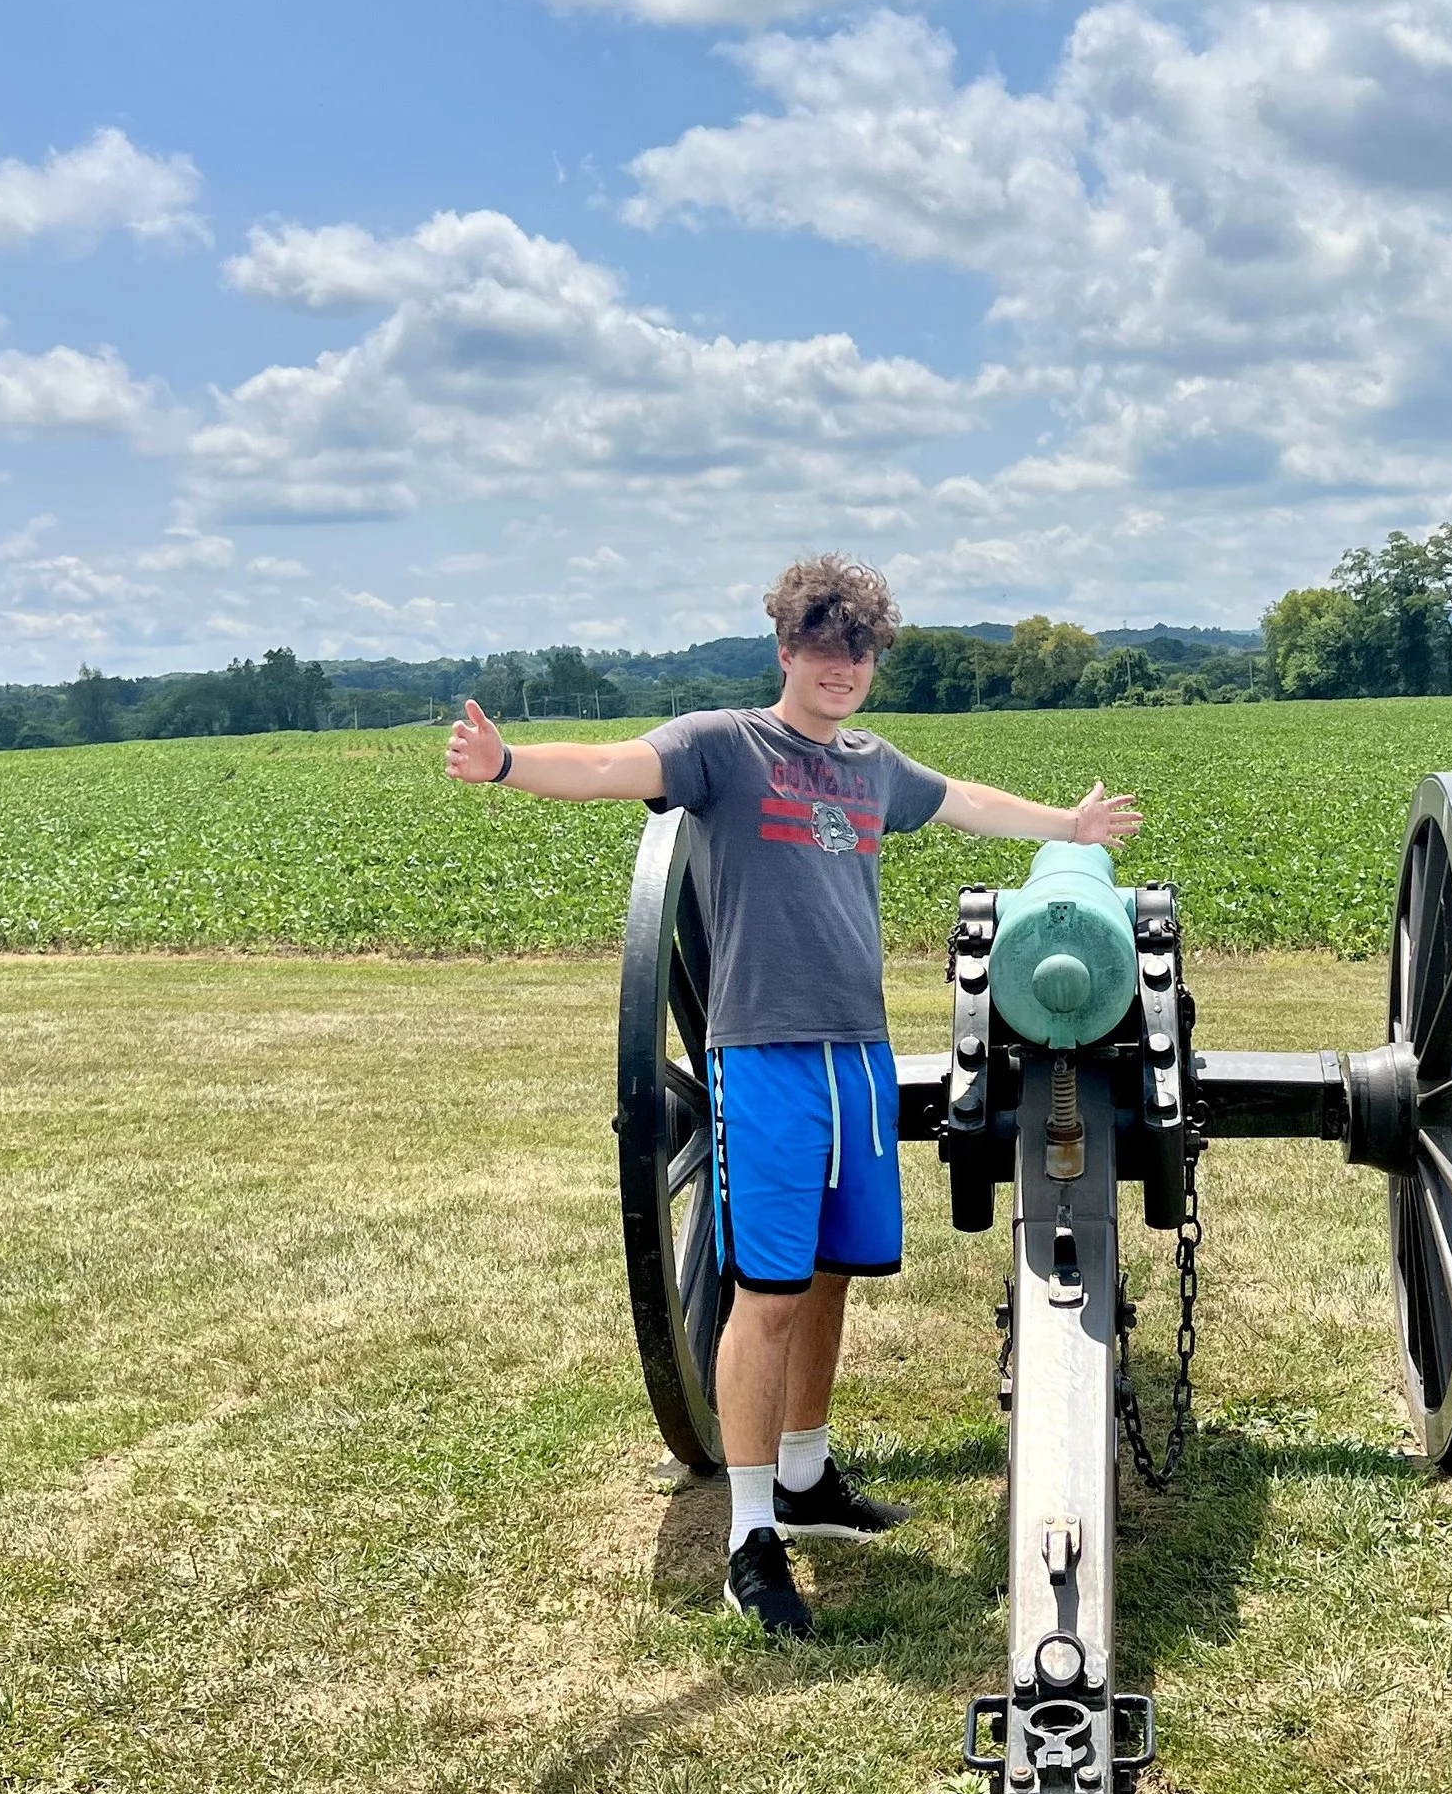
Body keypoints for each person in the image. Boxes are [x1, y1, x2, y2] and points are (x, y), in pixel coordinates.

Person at [444, 554, 1140, 1640]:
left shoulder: (870, 767)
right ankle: (751, 1534)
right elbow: (608, 764)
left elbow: (964, 803)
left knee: (829, 1277)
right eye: (822, 645)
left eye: (858, 649)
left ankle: (809, 1479)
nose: (840, 666)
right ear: (785, 650)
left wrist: (1067, 827)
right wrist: (506, 763)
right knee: (764, 1294)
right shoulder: (723, 746)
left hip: (855, 1056)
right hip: (763, 1057)